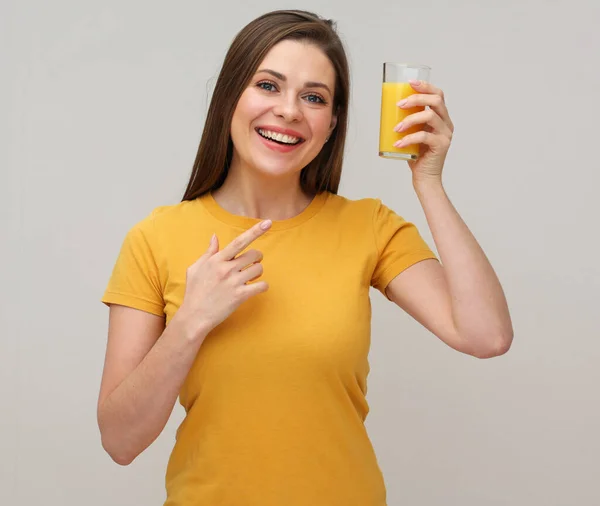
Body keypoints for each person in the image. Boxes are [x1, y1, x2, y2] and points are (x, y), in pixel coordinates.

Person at [97, 9, 513, 506]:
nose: (290, 110)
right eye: (268, 86)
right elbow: (120, 442)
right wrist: (190, 323)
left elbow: (486, 335)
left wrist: (428, 181)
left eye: (313, 97)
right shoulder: (155, 238)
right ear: (231, 95)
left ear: (331, 122)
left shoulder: (368, 228)